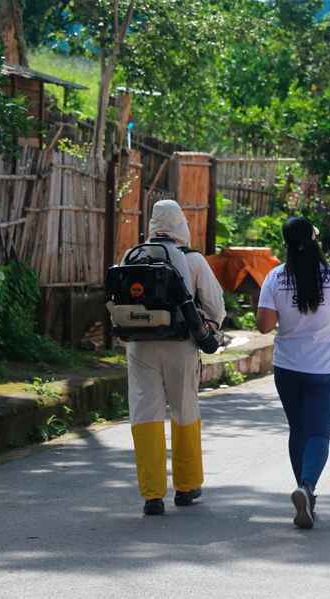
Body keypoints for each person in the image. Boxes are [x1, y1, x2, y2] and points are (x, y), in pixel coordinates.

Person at [256, 215, 330, 529]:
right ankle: (307, 487)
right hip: (323, 370)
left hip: (287, 369)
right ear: (313, 240)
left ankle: (306, 495)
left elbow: (264, 326)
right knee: (318, 433)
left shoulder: (275, 277)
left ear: (286, 244)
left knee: (298, 430)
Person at [125, 200, 226, 515]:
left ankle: (152, 495)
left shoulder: (133, 255)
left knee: (146, 416)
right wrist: (210, 328)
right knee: (185, 411)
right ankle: (186, 486)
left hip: (140, 346)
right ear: (182, 226)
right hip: (181, 345)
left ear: (152, 224)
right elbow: (216, 308)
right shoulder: (192, 259)